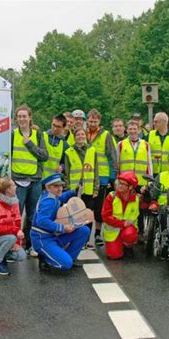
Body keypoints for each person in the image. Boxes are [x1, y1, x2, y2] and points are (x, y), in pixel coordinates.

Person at [30, 174, 90, 271]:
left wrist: (74, 191)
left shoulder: (52, 195)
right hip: (43, 238)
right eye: (56, 186)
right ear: (48, 187)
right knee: (66, 265)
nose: (60, 189)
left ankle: (68, 257)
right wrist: (63, 228)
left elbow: (61, 197)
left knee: (84, 230)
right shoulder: (48, 201)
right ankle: (45, 257)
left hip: (52, 235)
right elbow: (41, 221)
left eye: (61, 186)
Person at [10, 105, 49, 254]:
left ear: (30, 117)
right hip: (18, 181)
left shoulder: (38, 135)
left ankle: (31, 245)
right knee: (16, 215)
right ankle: (15, 246)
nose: (22, 119)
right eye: (19, 116)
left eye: (24, 116)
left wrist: (30, 144)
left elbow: (44, 156)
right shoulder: (13, 135)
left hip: (35, 180)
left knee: (33, 215)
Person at [86, 108, 118, 246]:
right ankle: (86, 236)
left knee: (99, 208)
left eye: (95, 121)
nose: (92, 123)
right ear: (87, 121)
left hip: (103, 176)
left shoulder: (106, 135)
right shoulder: (83, 134)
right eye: (91, 121)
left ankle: (98, 234)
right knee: (88, 208)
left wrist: (112, 176)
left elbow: (112, 156)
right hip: (87, 176)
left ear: (99, 121)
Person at [0, 178, 27, 276]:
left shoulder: (14, 202)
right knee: (11, 237)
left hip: (8, 238)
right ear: (8, 190)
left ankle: (2, 256)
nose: (16, 187)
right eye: (14, 185)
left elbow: (17, 222)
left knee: (21, 256)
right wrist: (15, 232)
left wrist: (17, 243)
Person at [101, 172, 140, 260]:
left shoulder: (136, 199)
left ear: (130, 187)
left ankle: (128, 247)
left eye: (123, 184)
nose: (119, 186)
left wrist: (151, 201)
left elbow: (146, 205)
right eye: (119, 182)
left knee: (130, 235)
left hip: (128, 230)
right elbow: (105, 216)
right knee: (114, 255)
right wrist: (122, 223)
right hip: (113, 232)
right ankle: (119, 245)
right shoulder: (111, 197)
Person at [64, 127, 99, 215]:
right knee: (74, 214)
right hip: (74, 189)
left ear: (86, 136)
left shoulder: (92, 150)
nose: (80, 136)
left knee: (87, 214)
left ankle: (87, 229)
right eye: (78, 135)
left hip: (89, 189)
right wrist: (68, 188)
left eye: (82, 134)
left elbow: (96, 171)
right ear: (74, 137)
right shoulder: (69, 152)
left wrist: (96, 188)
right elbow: (66, 173)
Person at [147, 112, 169, 176]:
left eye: (156, 122)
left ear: (164, 122)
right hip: (153, 173)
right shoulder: (150, 135)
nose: (154, 124)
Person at [42, 114, 69, 179]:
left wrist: (62, 167)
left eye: (58, 126)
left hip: (53, 180)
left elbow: (65, 163)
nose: (55, 128)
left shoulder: (65, 144)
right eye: (53, 125)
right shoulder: (42, 136)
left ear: (63, 128)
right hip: (39, 178)